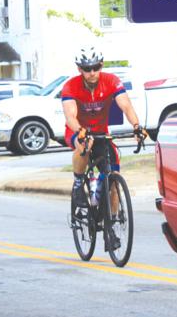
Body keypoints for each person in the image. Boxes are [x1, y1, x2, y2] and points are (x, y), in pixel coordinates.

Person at [61, 47, 146, 209]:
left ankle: (113, 222)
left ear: (101, 65)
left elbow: (126, 106)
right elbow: (70, 116)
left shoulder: (112, 81)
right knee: (84, 144)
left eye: (96, 67)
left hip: (101, 132)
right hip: (77, 130)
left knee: (114, 177)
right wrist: (80, 131)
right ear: (79, 69)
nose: (92, 72)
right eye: (87, 69)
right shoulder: (70, 86)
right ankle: (78, 184)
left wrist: (136, 126)